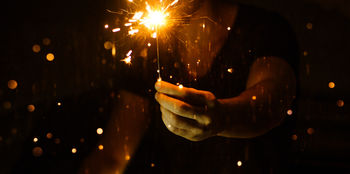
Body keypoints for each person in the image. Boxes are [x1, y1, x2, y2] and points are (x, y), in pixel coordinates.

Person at [81, 0, 298, 173]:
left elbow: (270, 103)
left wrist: (222, 118)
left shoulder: (266, 30)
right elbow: (113, 156)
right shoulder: (145, 53)